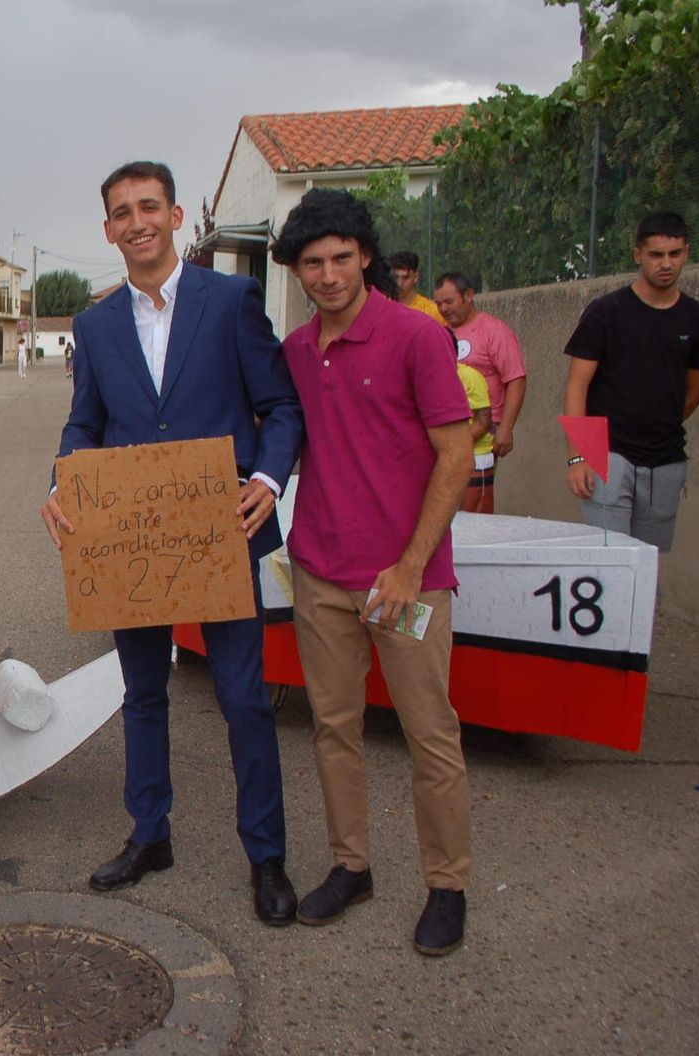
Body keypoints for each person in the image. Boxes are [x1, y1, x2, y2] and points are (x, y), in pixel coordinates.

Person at [39, 160, 304, 926]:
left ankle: (267, 855)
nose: (136, 221)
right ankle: (150, 833)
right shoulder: (93, 325)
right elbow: (86, 422)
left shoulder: (230, 301)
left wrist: (269, 477)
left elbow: (280, 406)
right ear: (108, 229)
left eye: (148, 206)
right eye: (121, 212)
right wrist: (62, 481)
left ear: (177, 214)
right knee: (143, 694)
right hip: (130, 542)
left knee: (244, 699)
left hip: (221, 534)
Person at [270, 189, 473, 957]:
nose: (327, 275)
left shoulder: (418, 337)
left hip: (407, 578)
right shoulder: (295, 350)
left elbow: (456, 455)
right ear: (297, 270)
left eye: (341, 258)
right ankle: (352, 865)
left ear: (366, 257)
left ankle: (447, 883)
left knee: (430, 733)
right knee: (333, 727)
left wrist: (410, 565)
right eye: (312, 263)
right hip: (320, 571)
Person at [564, 211, 699, 551]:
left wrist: (659, 420)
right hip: (607, 452)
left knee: (648, 563)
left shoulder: (695, 317)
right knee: (610, 560)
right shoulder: (606, 313)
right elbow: (577, 386)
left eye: (675, 254)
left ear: (686, 252)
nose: (666, 263)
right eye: (656, 254)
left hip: (666, 457)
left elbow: (695, 388)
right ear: (638, 254)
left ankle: (646, 609)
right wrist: (578, 457)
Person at [433, 272, 528, 466]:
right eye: (439, 303)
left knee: (476, 492)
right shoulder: (440, 333)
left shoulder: (494, 330)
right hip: (449, 430)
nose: (443, 308)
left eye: (449, 301)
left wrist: (506, 428)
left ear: (468, 295)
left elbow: (516, 379)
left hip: (484, 431)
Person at [456, 351, 495, 513]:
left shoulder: (469, 376)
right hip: (443, 457)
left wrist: (451, 444)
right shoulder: (426, 376)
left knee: (475, 520)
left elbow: (483, 422)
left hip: (475, 456)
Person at [388, 251, 445, 325]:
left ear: (416, 277)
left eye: (406, 277)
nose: (399, 283)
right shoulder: (384, 307)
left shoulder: (432, 311)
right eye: (395, 277)